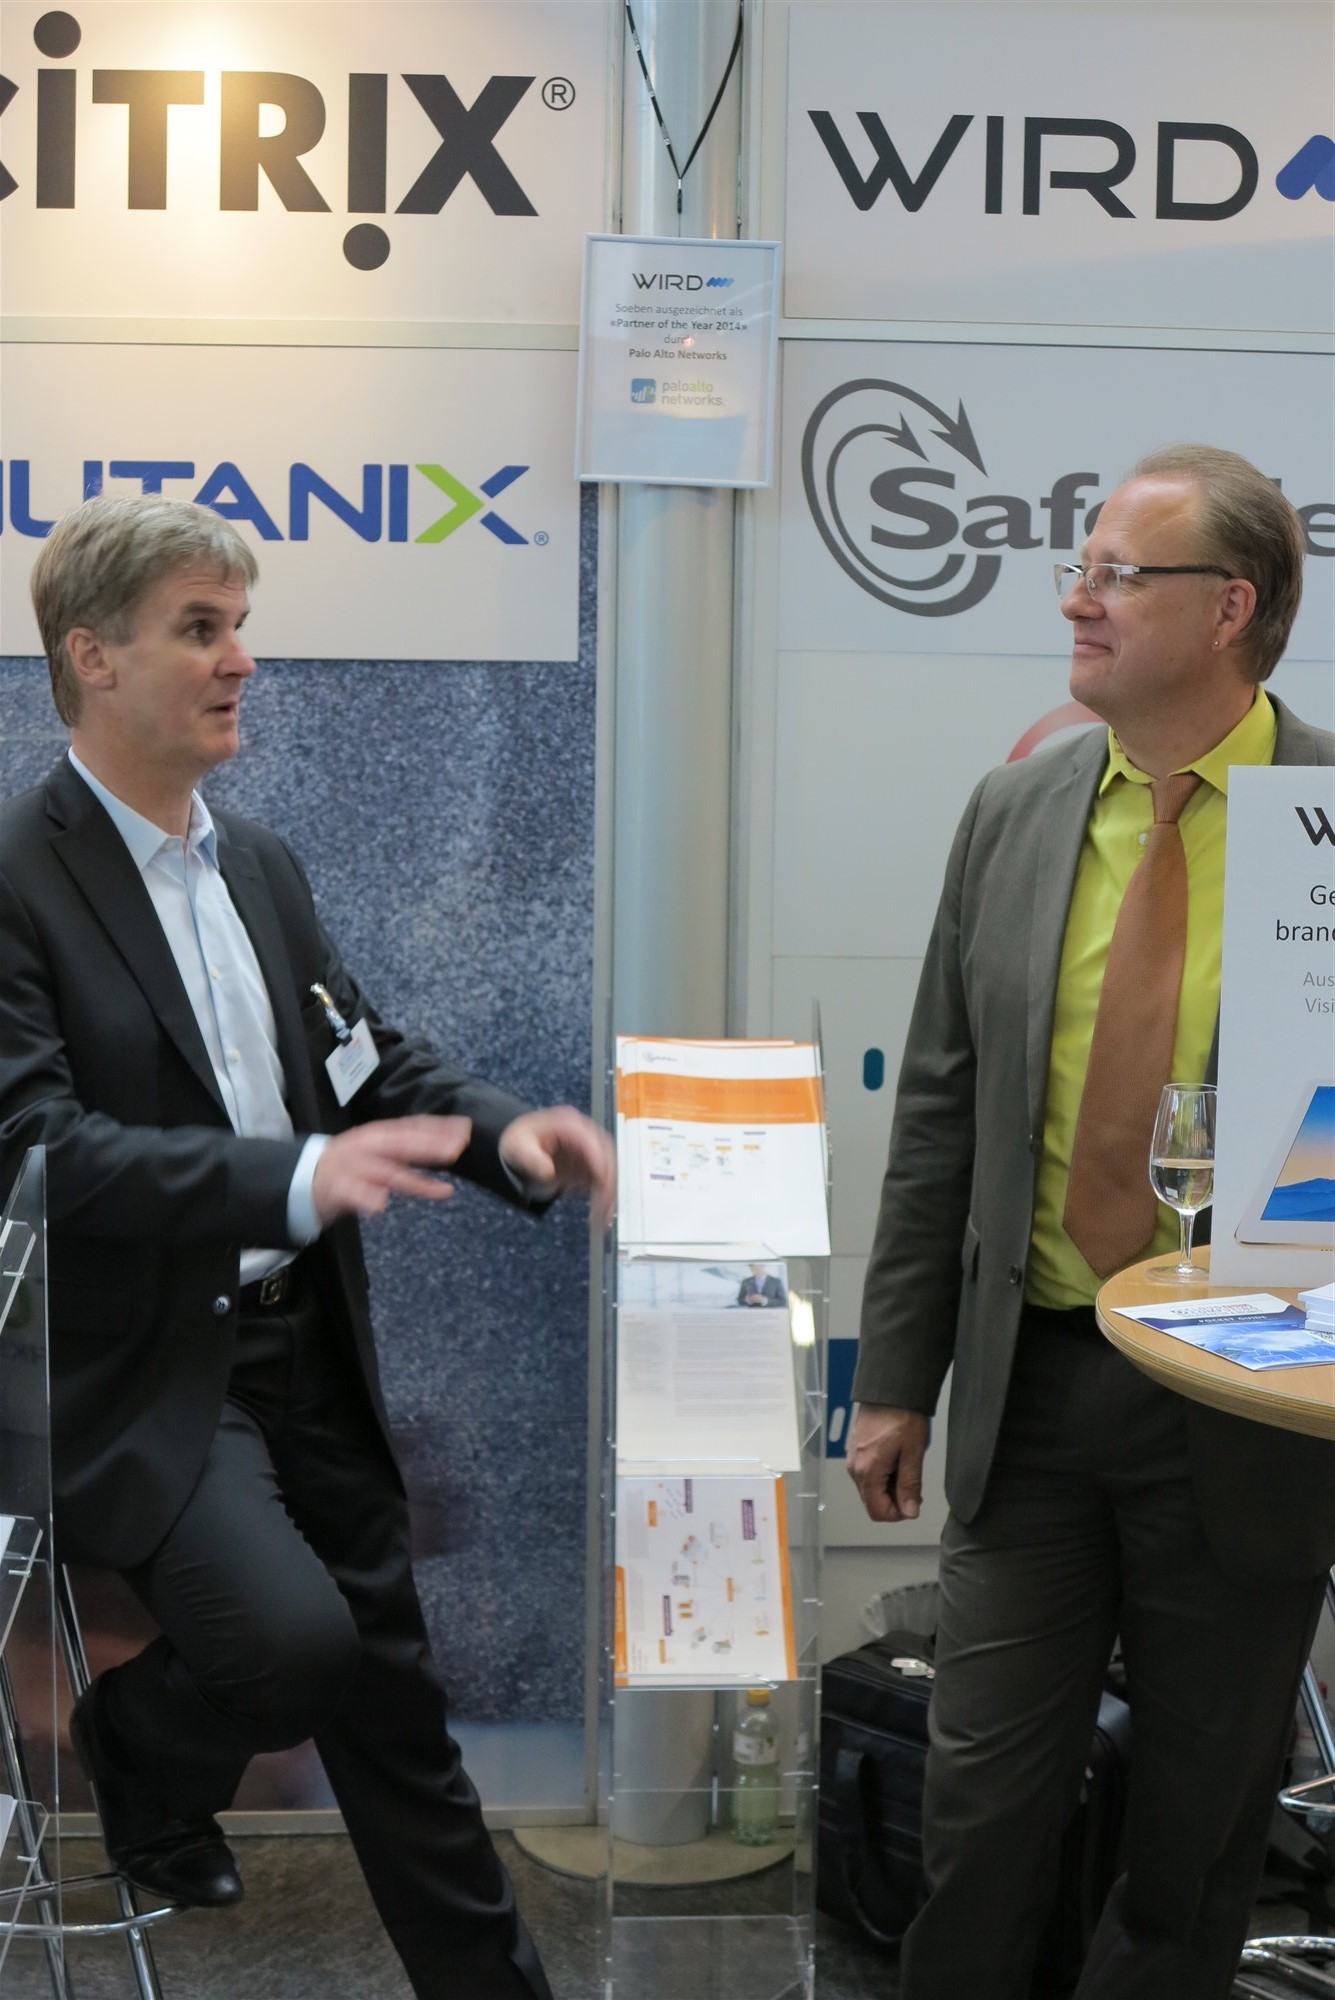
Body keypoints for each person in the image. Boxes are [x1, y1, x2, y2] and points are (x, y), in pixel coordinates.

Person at [0, 494, 616, 2000]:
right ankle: (135, 1754)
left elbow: (363, 1062)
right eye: (200, 630)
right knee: (291, 1652)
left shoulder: (257, 864)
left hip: (303, 1341)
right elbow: (37, 1150)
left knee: (398, 1722)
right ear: (92, 657)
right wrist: (292, 1177)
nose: (243, 663)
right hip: (140, 1368)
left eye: (240, 627)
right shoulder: (16, 873)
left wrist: (501, 1136)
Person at [845, 444, 1335, 2000]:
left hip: (1248, 1400)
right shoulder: (1016, 810)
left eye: (1120, 573)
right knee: (980, 1816)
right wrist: (895, 1378)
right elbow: (941, 1109)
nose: (1078, 598)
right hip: (1036, 1391)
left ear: (1230, 609)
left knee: (1194, 1841)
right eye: (1083, 567)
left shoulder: (1329, 817)